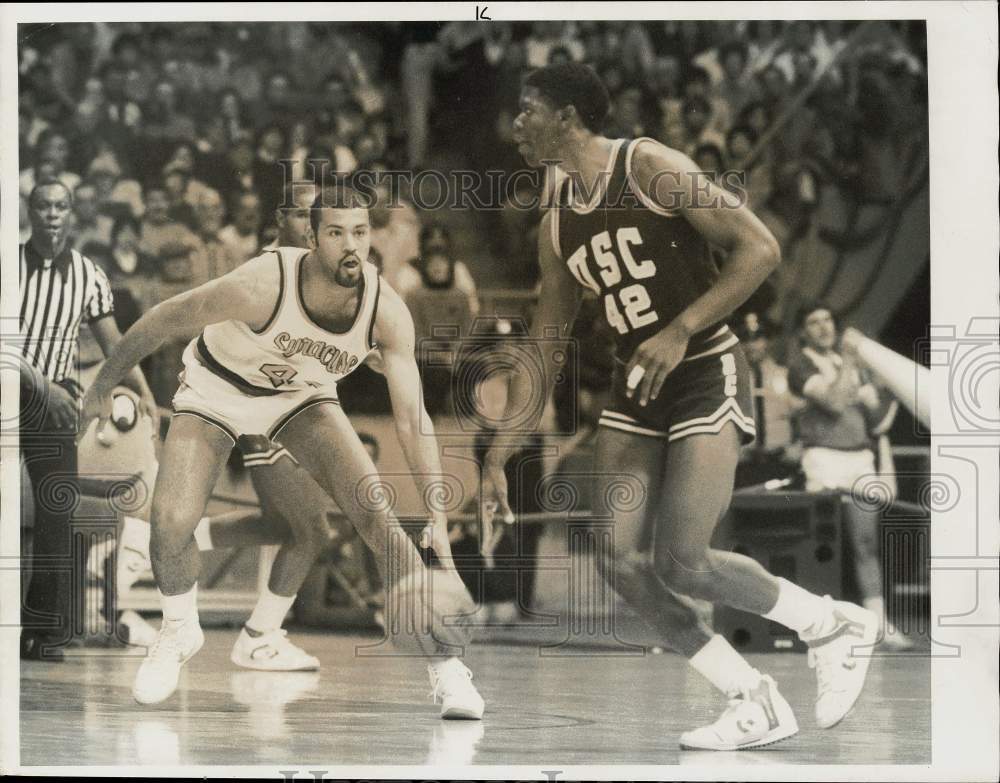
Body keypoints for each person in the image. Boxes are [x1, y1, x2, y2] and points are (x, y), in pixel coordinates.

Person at [483, 63, 878, 750]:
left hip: (703, 365)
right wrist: (498, 450)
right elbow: (547, 346)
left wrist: (679, 327)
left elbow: (760, 249)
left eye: (528, 108)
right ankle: (751, 696)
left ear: (570, 115)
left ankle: (829, 622)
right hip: (638, 386)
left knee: (684, 559)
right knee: (616, 556)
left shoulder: (648, 165)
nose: (515, 124)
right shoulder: (555, 225)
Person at [80, 183, 485, 718]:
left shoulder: (386, 309)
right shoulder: (262, 282)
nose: (350, 246)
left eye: (360, 233)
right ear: (312, 238)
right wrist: (103, 386)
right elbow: (164, 319)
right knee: (170, 520)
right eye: (336, 233)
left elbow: (412, 420)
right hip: (217, 390)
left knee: (376, 514)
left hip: (299, 396)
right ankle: (178, 631)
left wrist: (434, 511)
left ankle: (449, 672)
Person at [19, 179, 156, 661]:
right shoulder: (8, 265)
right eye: (43, 206)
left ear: (71, 214)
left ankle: (41, 632)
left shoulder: (88, 274)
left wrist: (144, 390)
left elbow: (115, 343)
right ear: (29, 211)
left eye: (60, 206)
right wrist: (42, 385)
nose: (52, 214)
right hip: (13, 389)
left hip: (55, 402)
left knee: (58, 506)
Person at [787, 302, 911, 651]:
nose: (824, 327)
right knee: (820, 544)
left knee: (865, 544)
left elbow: (879, 421)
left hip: (860, 459)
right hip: (823, 459)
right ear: (803, 332)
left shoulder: (850, 365)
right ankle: (818, 629)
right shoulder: (801, 365)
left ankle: (879, 625)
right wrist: (854, 368)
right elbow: (835, 402)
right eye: (814, 322)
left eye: (828, 319)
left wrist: (880, 396)